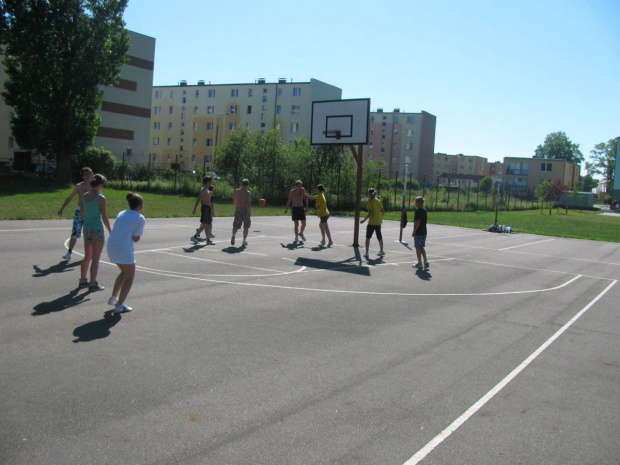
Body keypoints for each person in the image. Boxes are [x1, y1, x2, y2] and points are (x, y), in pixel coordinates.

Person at [106, 193, 146, 314]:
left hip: (111, 245)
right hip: (123, 248)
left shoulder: (121, 213)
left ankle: (114, 297)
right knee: (130, 276)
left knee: (124, 272)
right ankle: (120, 305)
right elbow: (136, 238)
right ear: (140, 205)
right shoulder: (140, 218)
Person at [79, 174, 112, 291]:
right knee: (96, 258)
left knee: (87, 255)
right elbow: (104, 216)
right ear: (99, 185)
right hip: (97, 228)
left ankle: (83, 280)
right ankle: (93, 282)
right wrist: (110, 229)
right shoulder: (101, 198)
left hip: (87, 228)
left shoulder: (85, 195)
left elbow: (82, 213)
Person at [58, 167, 94, 260]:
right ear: (82, 176)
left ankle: (90, 253)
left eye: (89, 174)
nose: (87, 176)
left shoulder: (94, 186)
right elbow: (70, 197)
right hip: (79, 212)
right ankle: (69, 253)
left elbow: (99, 199)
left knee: (90, 234)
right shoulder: (79, 186)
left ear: (92, 175)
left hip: (90, 213)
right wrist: (62, 208)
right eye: (85, 174)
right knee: (75, 232)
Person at [360, 188, 385, 259]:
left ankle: (367, 253)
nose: (367, 194)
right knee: (379, 237)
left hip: (371, 223)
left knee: (368, 238)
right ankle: (381, 251)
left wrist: (364, 220)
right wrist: (380, 218)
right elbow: (383, 211)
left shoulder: (369, 201)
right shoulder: (378, 201)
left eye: (368, 193)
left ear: (370, 194)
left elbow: (371, 213)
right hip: (378, 222)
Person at [191, 176, 214, 244]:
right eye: (210, 181)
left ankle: (208, 240)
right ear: (207, 182)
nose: (211, 183)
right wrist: (194, 209)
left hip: (208, 208)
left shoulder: (207, 189)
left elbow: (207, 198)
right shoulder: (203, 190)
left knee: (207, 223)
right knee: (205, 224)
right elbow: (199, 199)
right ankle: (195, 236)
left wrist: (210, 194)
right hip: (205, 208)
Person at [231, 179, 252, 247]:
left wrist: (236, 206)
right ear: (247, 185)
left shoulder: (237, 191)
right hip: (245, 209)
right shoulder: (248, 192)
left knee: (236, 224)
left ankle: (233, 235)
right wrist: (249, 212)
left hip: (238, 208)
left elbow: (234, 200)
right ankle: (244, 241)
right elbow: (248, 203)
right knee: (246, 226)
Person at [412, 196, 429, 270]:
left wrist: (414, 231)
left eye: (416, 202)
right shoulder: (424, 210)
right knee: (421, 246)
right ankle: (425, 260)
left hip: (419, 232)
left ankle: (419, 263)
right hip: (424, 231)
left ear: (418, 203)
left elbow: (418, 222)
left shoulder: (418, 211)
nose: (415, 203)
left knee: (417, 247)